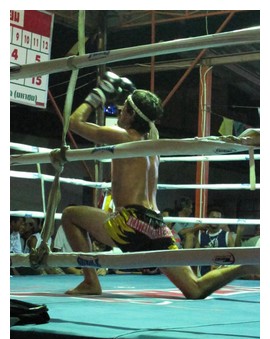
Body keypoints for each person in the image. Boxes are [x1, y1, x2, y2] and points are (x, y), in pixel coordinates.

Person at [62, 71, 259, 299]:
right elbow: (146, 117)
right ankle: (246, 264)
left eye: (123, 107)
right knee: (195, 289)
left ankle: (90, 282)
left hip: (128, 223)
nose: (117, 111)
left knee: (69, 215)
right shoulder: (153, 147)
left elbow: (74, 123)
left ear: (130, 114)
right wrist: (130, 99)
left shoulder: (123, 137)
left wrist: (99, 94)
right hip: (156, 226)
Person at [194, 206, 235, 276]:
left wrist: (218, 262)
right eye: (213, 217)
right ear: (208, 218)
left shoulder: (227, 236)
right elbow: (195, 257)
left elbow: (233, 258)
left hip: (222, 274)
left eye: (218, 218)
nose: (215, 220)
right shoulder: (201, 236)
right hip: (203, 275)